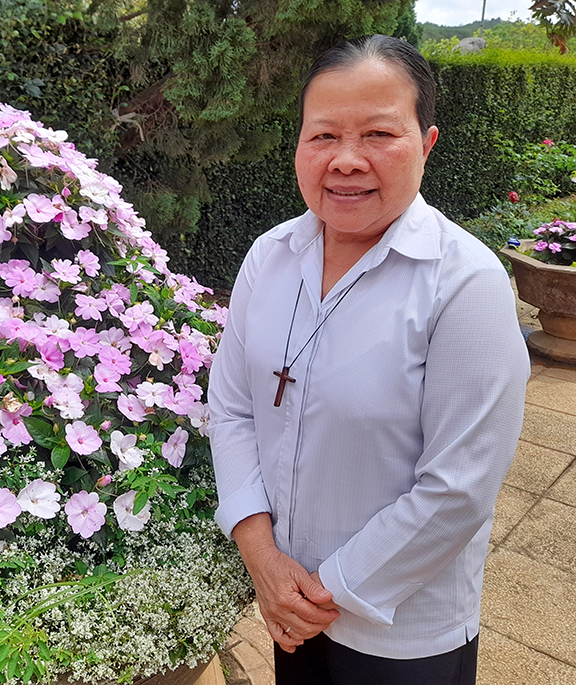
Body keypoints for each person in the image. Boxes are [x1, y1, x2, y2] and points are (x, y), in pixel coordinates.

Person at [208, 35, 529, 685]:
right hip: (288, 604)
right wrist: (262, 555)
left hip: (400, 630)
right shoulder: (269, 258)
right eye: (323, 136)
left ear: (427, 142)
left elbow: (457, 487)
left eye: (379, 134)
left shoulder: (464, 283)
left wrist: (322, 593)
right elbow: (233, 404)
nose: (346, 160)